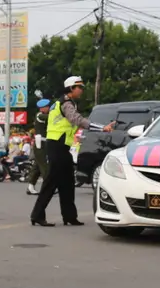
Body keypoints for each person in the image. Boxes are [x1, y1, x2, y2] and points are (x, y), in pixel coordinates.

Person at [30, 77, 112, 227]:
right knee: (51, 183)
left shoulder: (63, 102)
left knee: (67, 182)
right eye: (79, 87)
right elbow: (77, 120)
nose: (81, 90)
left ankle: (69, 216)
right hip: (57, 146)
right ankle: (37, 215)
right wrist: (102, 128)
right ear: (71, 88)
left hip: (62, 147)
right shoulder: (65, 104)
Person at [26, 100, 51, 195]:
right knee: (45, 167)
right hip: (40, 144)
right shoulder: (40, 115)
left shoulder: (42, 115)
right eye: (47, 107)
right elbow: (51, 117)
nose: (48, 108)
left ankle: (30, 186)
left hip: (43, 143)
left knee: (36, 167)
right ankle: (48, 188)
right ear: (42, 108)